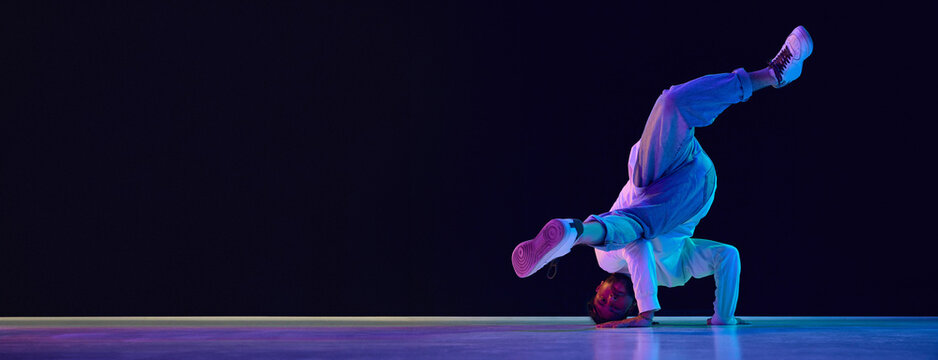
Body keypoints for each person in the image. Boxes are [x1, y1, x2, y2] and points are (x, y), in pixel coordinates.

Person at [510, 26, 813, 328]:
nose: (612, 299)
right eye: (615, 308)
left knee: (672, 103)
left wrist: (647, 312)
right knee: (638, 227)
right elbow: (727, 256)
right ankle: (574, 233)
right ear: (627, 308)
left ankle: (772, 74)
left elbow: (638, 249)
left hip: (654, 173)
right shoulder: (674, 274)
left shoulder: (606, 258)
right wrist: (724, 316)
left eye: (603, 300)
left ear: (599, 287)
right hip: (691, 191)